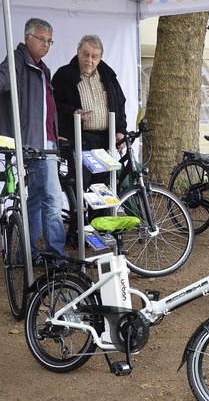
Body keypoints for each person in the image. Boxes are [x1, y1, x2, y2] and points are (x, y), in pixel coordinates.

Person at [0, 17, 68, 265]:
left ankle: (24, 254)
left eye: (50, 41)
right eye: (42, 39)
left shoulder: (41, 66)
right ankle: (56, 257)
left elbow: (44, 108)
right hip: (34, 143)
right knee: (52, 197)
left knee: (38, 198)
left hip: (46, 141)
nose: (46, 45)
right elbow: (3, 80)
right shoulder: (18, 60)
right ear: (28, 37)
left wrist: (53, 133)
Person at [52, 34, 127, 193]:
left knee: (103, 189)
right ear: (78, 52)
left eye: (94, 56)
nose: (89, 60)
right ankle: (80, 218)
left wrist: (120, 131)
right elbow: (53, 105)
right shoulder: (64, 75)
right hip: (80, 140)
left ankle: (99, 218)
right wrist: (73, 112)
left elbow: (120, 104)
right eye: (86, 54)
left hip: (105, 140)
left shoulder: (108, 76)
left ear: (100, 57)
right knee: (80, 186)